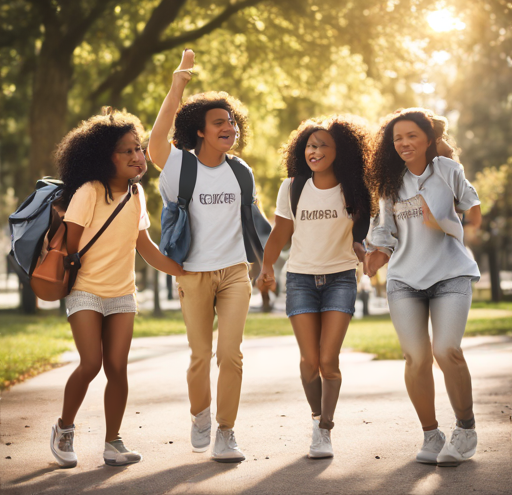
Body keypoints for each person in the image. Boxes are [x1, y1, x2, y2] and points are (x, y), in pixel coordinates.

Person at [148, 50, 266, 463]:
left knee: (229, 354)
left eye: (231, 121)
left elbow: (255, 224)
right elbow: (155, 141)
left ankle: (226, 432)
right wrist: (178, 83)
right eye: (219, 122)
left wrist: (265, 266)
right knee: (200, 355)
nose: (228, 127)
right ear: (199, 130)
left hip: (235, 271)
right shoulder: (179, 166)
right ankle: (201, 414)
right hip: (192, 273)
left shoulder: (241, 171)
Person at [50, 109, 185, 468]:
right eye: (126, 150)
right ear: (103, 156)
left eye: (138, 149)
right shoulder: (90, 192)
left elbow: (146, 247)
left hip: (122, 293)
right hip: (86, 291)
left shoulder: (137, 194)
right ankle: (64, 428)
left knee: (117, 367)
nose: (137, 156)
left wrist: (184, 272)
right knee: (91, 363)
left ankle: (113, 442)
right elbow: (71, 247)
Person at [365, 108, 482, 467]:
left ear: (428, 139)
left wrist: (461, 234)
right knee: (416, 357)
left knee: (447, 350)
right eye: (397, 138)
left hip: (451, 274)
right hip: (405, 280)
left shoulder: (449, 171)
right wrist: (373, 256)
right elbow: (384, 234)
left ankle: (465, 429)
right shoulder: (388, 183)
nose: (403, 143)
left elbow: (473, 209)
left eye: (412, 136)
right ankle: (432, 434)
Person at [257, 115, 371, 458]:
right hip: (301, 279)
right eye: (310, 145)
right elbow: (279, 233)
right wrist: (266, 268)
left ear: (341, 151)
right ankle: (315, 416)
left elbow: (359, 237)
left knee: (328, 360)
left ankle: (325, 430)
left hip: (340, 278)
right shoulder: (292, 187)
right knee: (309, 360)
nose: (315, 150)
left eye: (323, 145)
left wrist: (367, 256)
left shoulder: (354, 189)